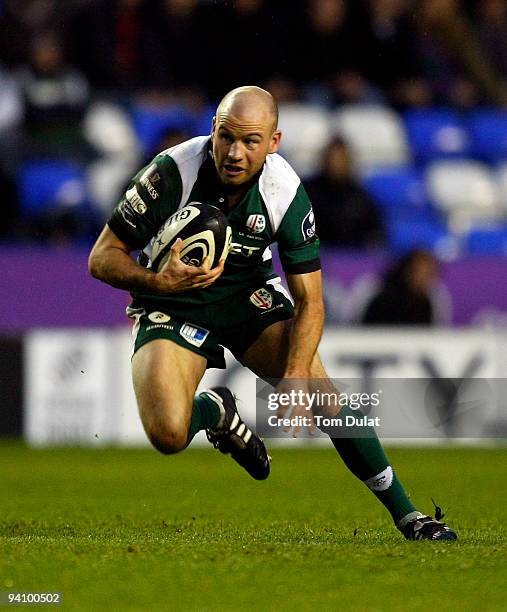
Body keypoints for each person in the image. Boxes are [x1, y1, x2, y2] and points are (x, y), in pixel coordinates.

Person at [88, 86, 456, 541]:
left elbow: (311, 301)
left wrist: (297, 376)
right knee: (167, 434)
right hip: (171, 299)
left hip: (247, 297)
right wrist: (156, 282)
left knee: (325, 397)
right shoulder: (171, 173)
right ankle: (216, 413)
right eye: (227, 137)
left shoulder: (284, 191)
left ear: (274, 142)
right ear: (214, 131)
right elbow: (102, 257)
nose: (235, 153)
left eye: (251, 141)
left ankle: (409, 516)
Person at [305, 136, 385, 249]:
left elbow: (376, 235)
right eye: (333, 158)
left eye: (341, 158)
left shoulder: (361, 199)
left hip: (351, 261)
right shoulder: (308, 193)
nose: (336, 163)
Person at [362, 249, 439, 325]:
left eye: (431, 272)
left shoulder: (426, 303)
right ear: (409, 271)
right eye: (424, 272)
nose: (428, 278)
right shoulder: (385, 300)